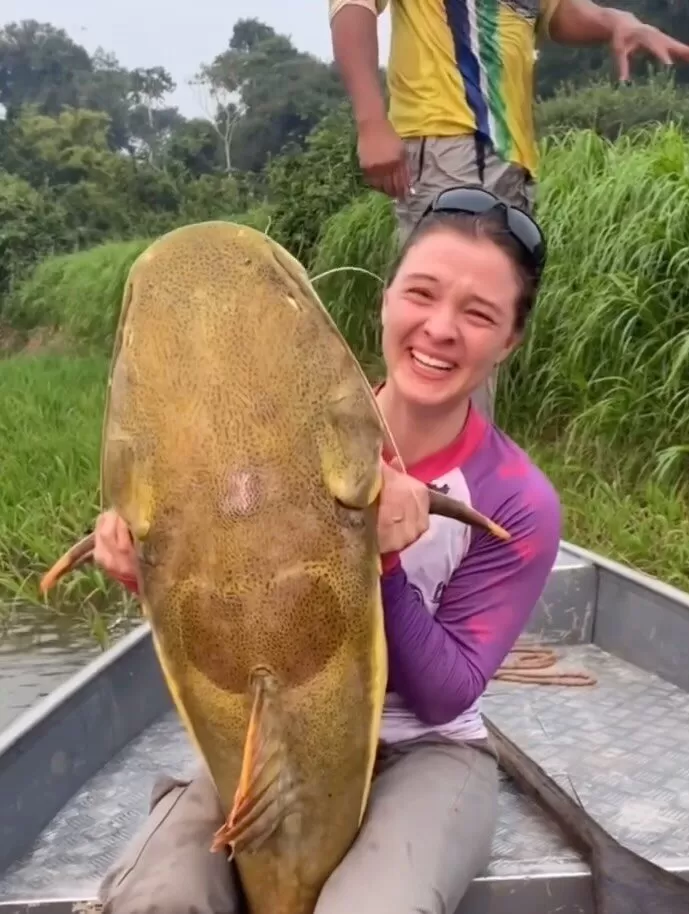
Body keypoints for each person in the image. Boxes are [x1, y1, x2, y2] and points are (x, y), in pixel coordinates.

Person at [95, 185, 562, 914]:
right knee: (156, 899)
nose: (439, 328)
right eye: (421, 294)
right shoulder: (271, 435)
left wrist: (378, 560)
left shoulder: (514, 498)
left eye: (477, 315)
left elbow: (446, 694)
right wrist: (140, 567)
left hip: (430, 750)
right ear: (384, 300)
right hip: (273, 731)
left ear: (508, 340)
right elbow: (237, 607)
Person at [329, 0, 689, 417]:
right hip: (447, 141)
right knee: (441, 327)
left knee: (483, 327)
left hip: (512, 160)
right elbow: (352, 7)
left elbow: (556, 13)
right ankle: (419, 469)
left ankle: (459, 469)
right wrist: (371, 121)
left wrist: (617, 22)